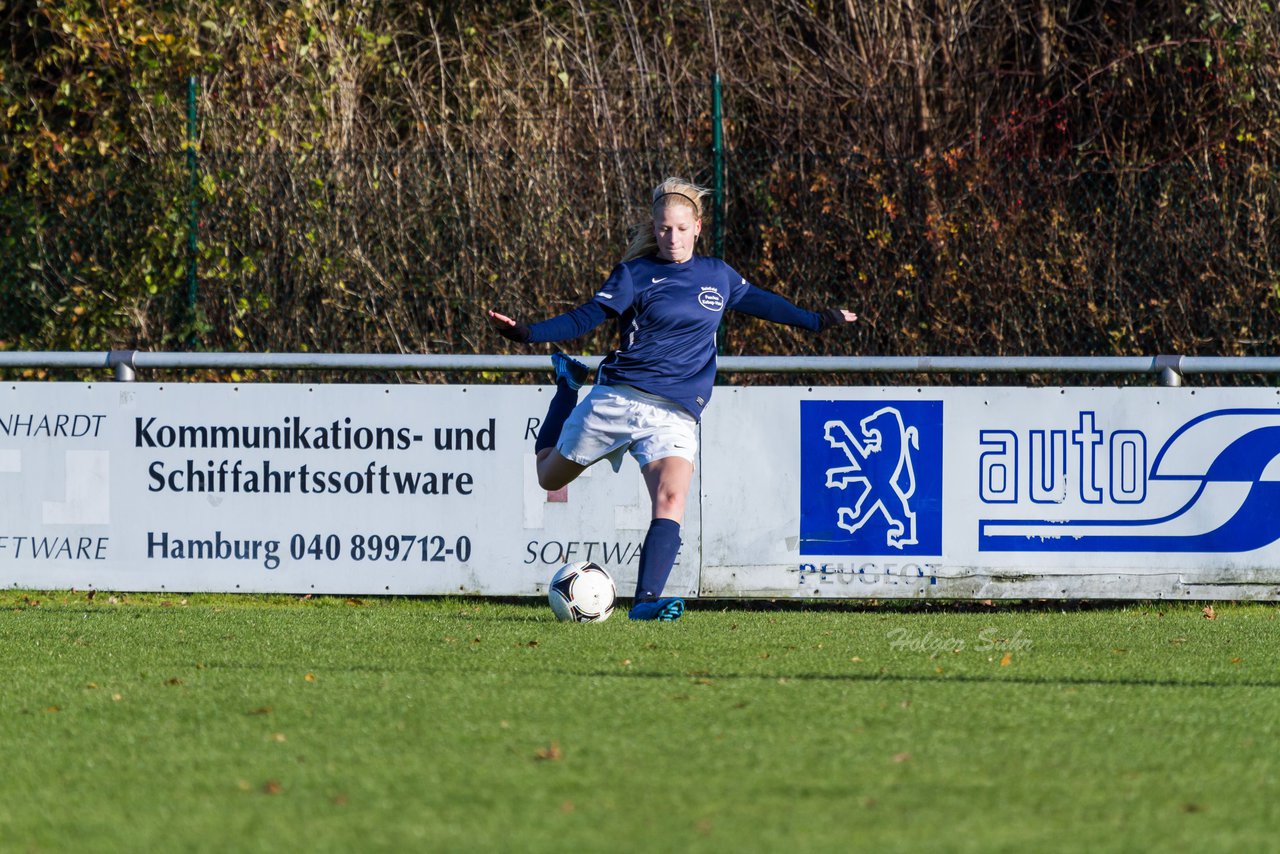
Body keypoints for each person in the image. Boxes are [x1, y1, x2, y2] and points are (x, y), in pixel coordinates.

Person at [487, 177, 856, 621]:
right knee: (549, 476)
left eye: (681, 229)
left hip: (676, 413)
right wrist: (527, 332)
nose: (672, 238)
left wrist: (818, 320)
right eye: (664, 229)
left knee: (671, 500)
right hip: (619, 398)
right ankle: (568, 385)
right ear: (655, 228)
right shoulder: (636, 275)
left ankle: (645, 602)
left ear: (698, 227)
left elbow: (767, 304)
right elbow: (585, 316)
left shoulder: (718, 275)